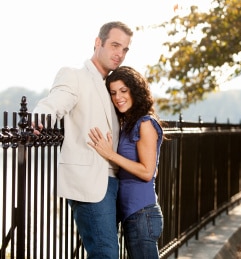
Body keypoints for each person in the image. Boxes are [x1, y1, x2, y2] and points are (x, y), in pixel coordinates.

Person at [32, 21, 133, 258]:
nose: (120, 53)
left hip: (115, 183)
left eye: (125, 49)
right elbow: (57, 100)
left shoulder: (113, 86)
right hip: (91, 184)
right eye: (115, 45)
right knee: (106, 254)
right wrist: (39, 118)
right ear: (98, 43)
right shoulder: (74, 76)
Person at [87, 66, 164, 259]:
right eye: (113, 93)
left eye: (123, 90)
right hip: (133, 215)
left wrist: (110, 154)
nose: (118, 97)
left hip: (142, 214)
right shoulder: (129, 124)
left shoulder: (145, 123)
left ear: (135, 90)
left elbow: (148, 172)